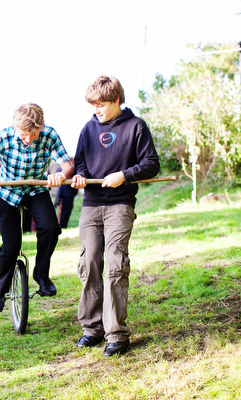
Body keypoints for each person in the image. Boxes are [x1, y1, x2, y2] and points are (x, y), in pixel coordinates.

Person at [71, 76, 160, 357]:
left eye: (102, 104)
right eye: (93, 105)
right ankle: (91, 329)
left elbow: (151, 164)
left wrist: (124, 175)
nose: (97, 110)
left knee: (114, 264)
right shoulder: (88, 129)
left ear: (117, 100)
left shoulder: (136, 126)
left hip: (120, 205)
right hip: (91, 205)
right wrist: (81, 176)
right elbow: (80, 162)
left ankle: (117, 334)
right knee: (89, 263)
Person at [0, 103, 74, 312]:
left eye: (34, 135)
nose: (29, 140)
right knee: (11, 246)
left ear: (41, 127)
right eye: (24, 135)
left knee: (51, 228)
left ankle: (41, 275)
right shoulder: (3, 137)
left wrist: (61, 175)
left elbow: (68, 166)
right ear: (15, 127)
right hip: (8, 192)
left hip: (36, 189)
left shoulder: (50, 135)